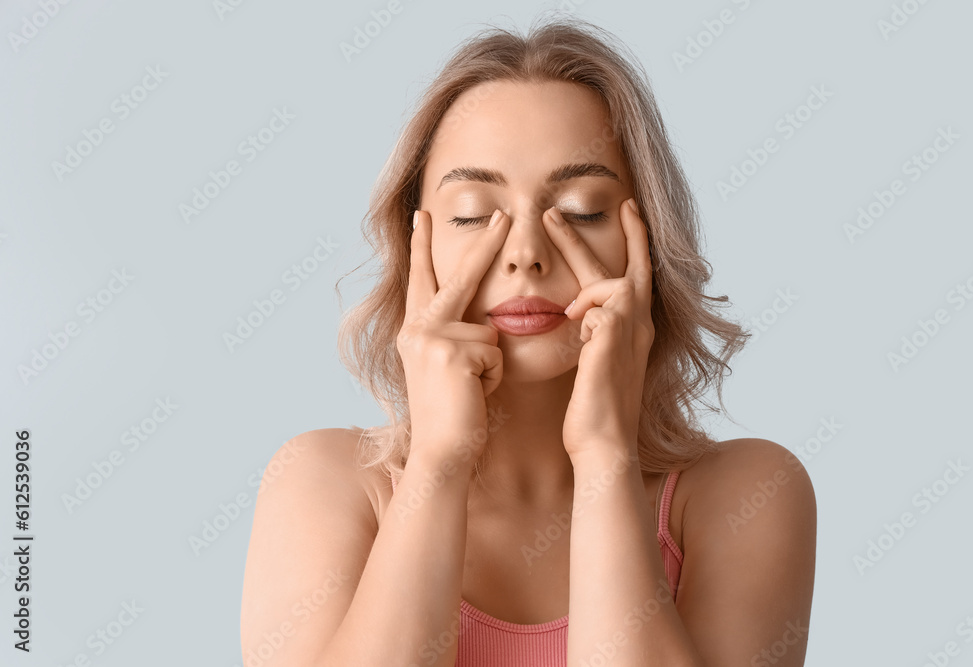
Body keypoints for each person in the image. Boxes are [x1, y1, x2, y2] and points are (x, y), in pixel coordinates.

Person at [241, 15, 816, 667]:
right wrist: (437, 463)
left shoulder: (746, 493)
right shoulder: (321, 482)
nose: (525, 254)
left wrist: (605, 456)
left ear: (647, 246)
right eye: (473, 214)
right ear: (414, 245)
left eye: (581, 211)